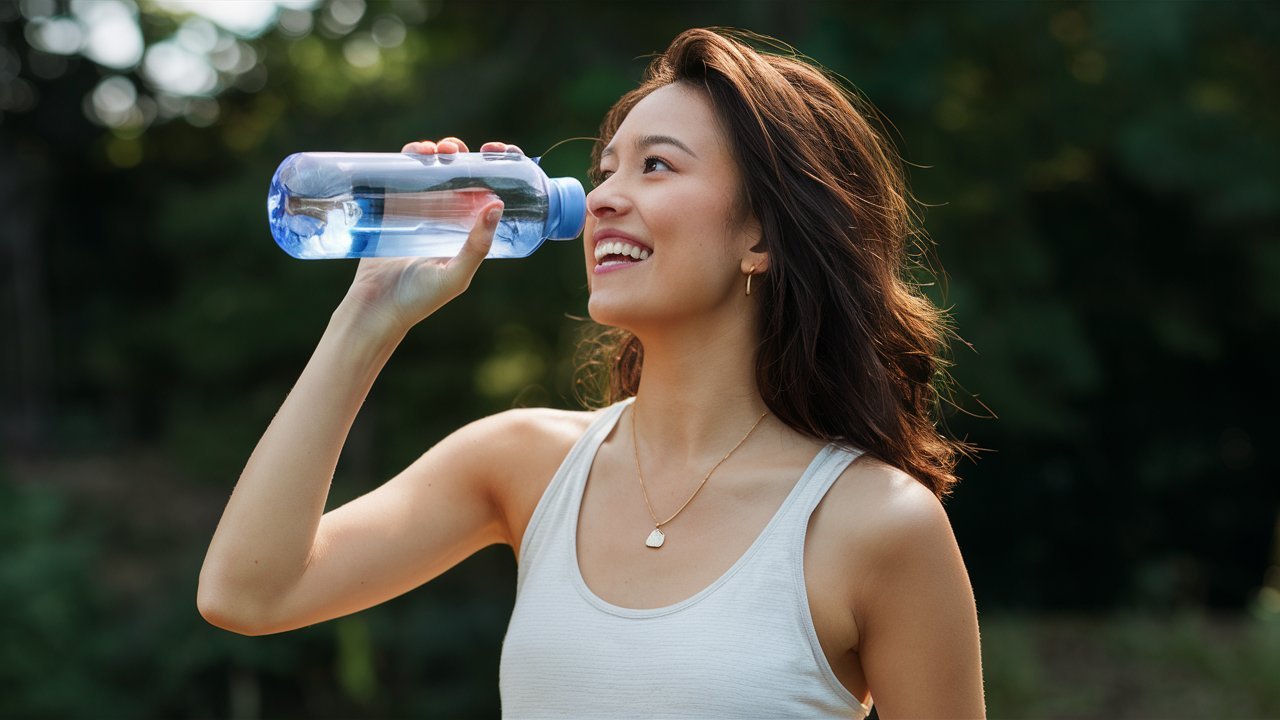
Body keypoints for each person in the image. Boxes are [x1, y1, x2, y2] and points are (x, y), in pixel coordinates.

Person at [198, 27, 986, 719]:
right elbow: (247, 594)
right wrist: (370, 316)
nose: (606, 196)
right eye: (607, 170)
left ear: (760, 236)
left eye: (656, 167)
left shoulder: (879, 526)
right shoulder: (523, 463)